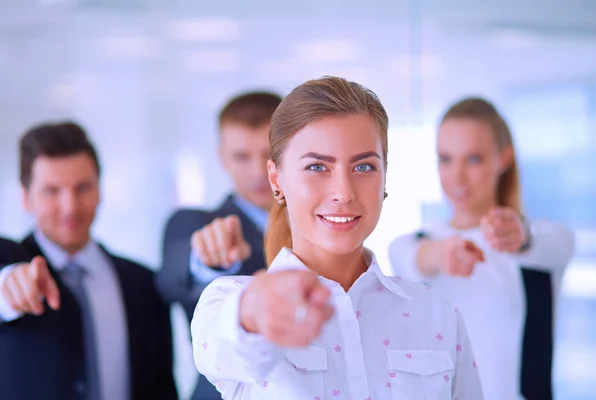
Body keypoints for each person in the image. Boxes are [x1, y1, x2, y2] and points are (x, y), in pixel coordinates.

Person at [190, 76, 484, 400]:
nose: (343, 193)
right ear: (277, 180)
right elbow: (228, 342)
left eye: (363, 167)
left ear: (385, 176)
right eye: (317, 167)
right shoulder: (225, 301)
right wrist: (256, 311)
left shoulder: (436, 312)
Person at [388, 98, 575, 400]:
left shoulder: (541, 241)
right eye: (445, 159)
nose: (457, 177)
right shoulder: (416, 243)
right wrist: (441, 255)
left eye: (473, 159)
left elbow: (552, 244)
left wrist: (521, 238)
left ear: (503, 158)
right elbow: (411, 256)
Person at [0, 122, 177, 400]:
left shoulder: (142, 283)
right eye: (52, 191)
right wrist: (7, 284)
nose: (70, 206)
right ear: (26, 198)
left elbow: (162, 387)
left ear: (99, 189)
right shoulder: (10, 263)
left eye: (83, 188)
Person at [157, 91, 281, 400]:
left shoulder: (321, 228)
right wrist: (211, 259)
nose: (257, 171)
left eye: (268, 154)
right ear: (222, 157)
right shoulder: (194, 223)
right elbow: (171, 278)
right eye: (241, 156)